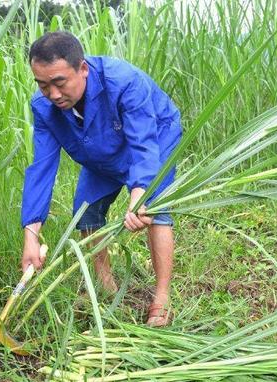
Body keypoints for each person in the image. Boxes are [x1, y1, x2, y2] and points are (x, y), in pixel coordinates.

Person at [20, 31, 182, 327]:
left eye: (59, 82)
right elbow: (41, 168)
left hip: (155, 137)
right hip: (100, 147)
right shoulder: (44, 108)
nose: (53, 94)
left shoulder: (123, 81)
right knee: (86, 211)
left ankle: (161, 299)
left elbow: (143, 144)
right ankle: (107, 290)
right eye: (43, 85)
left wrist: (139, 195)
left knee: (154, 210)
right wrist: (31, 236)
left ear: (82, 68)